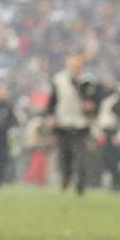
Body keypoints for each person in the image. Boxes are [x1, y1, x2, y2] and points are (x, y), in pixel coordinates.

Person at [46, 56, 99, 195]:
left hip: (81, 124)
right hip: (63, 124)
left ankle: (80, 186)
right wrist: (51, 116)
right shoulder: (59, 80)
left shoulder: (89, 81)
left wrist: (91, 106)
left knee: (81, 157)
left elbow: (96, 100)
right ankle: (66, 176)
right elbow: (52, 101)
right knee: (65, 156)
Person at [95, 81, 120, 192]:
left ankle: (118, 182)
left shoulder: (116, 101)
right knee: (109, 159)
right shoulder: (107, 100)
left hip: (113, 131)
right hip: (107, 131)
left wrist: (119, 134)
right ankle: (117, 182)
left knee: (113, 159)